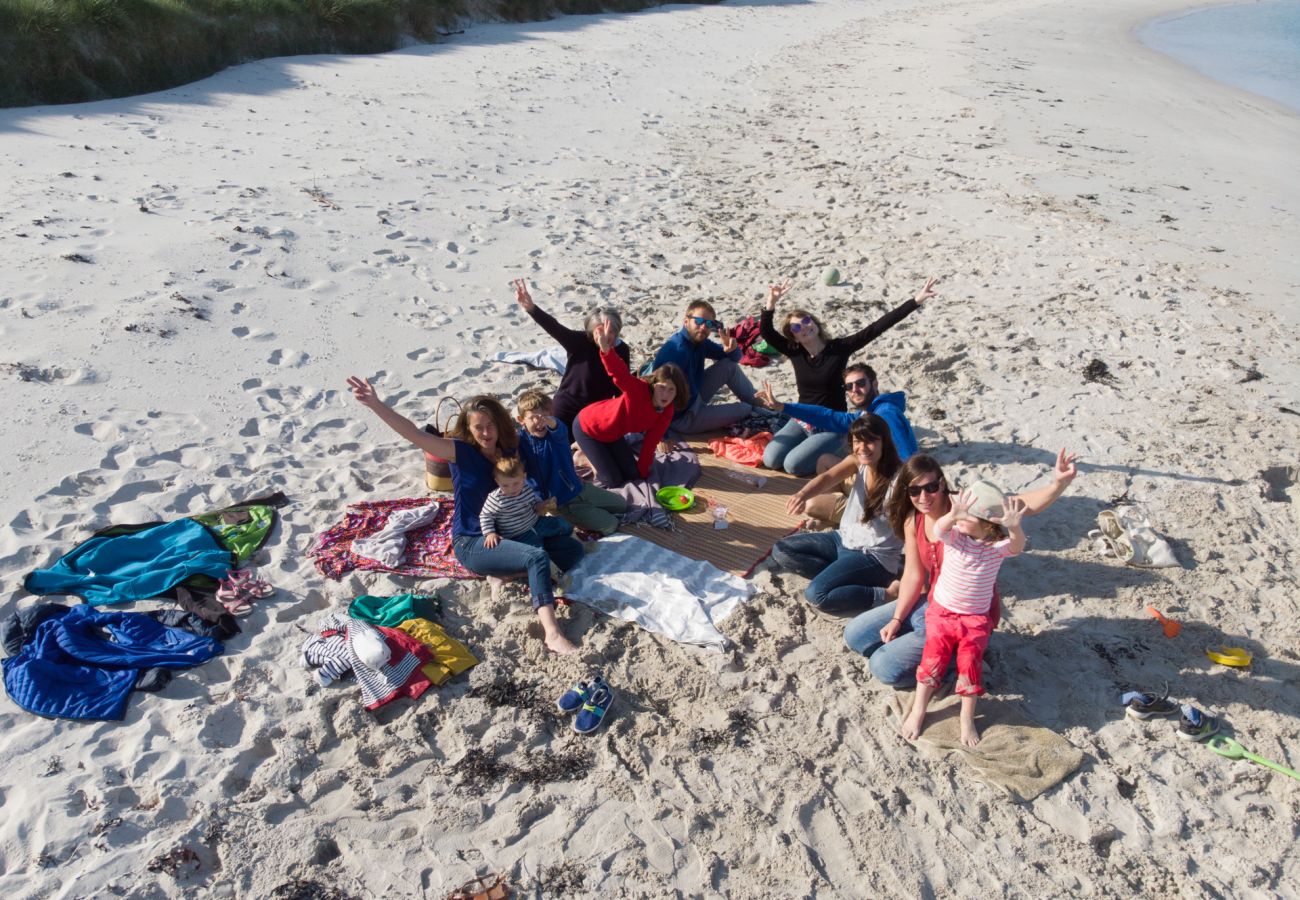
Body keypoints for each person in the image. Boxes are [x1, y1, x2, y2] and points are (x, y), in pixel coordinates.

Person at [346, 377, 583, 654]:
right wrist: (375, 404)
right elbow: (413, 434)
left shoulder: (510, 449)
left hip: (512, 531)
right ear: (468, 429)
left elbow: (546, 442)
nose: (486, 432)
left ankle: (503, 573)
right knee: (537, 557)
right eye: (478, 427)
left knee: (572, 551)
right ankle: (552, 633)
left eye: (491, 424)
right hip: (473, 541)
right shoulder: (459, 452)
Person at [843, 449, 1078, 686]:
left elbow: (1019, 505)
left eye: (930, 487)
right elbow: (913, 575)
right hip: (933, 604)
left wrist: (1058, 483)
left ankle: (962, 659)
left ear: (942, 484)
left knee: (884, 668)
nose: (923, 496)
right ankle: (928, 644)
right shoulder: (913, 520)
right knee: (856, 635)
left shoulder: (964, 508)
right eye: (914, 490)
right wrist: (896, 618)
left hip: (968, 615)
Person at [759, 277, 935, 475]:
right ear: (794, 337)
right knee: (771, 459)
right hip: (803, 417)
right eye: (797, 328)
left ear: (815, 323)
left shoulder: (838, 348)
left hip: (832, 424)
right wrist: (771, 302)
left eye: (806, 321)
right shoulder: (796, 352)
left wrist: (916, 301)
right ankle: (813, 445)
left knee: (793, 465)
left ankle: (841, 446)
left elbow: (876, 328)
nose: (804, 327)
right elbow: (766, 332)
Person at [899, 481, 1027, 747]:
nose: (961, 519)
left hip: (974, 619)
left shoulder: (995, 548)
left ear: (986, 522)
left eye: (967, 515)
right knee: (932, 659)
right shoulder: (954, 536)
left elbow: (1017, 547)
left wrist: (1014, 527)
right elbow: (938, 528)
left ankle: (966, 718)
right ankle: (919, 709)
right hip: (942, 612)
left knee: (970, 666)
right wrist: (953, 515)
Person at [754, 363, 918, 527]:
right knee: (825, 461)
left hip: (884, 497)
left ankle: (850, 518)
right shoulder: (868, 413)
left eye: (860, 383)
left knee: (811, 505)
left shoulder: (886, 414)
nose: (855, 390)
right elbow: (828, 417)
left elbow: (907, 459)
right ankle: (838, 515)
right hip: (871, 478)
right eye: (849, 386)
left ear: (874, 384)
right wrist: (783, 407)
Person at [768, 415, 903, 614]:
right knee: (781, 549)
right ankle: (844, 575)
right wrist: (801, 495)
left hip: (873, 555)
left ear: (885, 441)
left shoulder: (900, 478)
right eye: (857, 441)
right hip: (843, 538)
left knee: (817, 595)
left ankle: (886, 593)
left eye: (871, 440)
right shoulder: (857, 462)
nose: (863, 447)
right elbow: (828, 477)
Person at [573, 321, 689, 488]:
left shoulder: (667, 410)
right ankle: (582, 456)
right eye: (662, 388)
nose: (666, 394)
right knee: (612, 481)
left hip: (613, 434)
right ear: (653, 385)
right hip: (588, 427)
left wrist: (643, 476)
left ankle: (596, 454)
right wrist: (606, 349)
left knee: (633, 474)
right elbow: (619, 373)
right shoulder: (639, 391)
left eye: (671, 390)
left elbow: (650, 443)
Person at [512, 279, 630, 433]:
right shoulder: (580, 341)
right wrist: (531, 308)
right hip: (567, 405)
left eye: (611, 331)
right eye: (599, 331)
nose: (605, 336)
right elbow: (555, 328)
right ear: (590, 331)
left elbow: (622, 387)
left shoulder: (622, 350)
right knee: (556, 440)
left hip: (596, 411)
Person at [515, 390, 627, 535]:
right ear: (521, 420)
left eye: (544, 416)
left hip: (580, 487)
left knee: (622, 505)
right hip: (561, 502)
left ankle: (586, 513)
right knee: (611, 525)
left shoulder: (555, 435)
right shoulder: (520, 442)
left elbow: (559, 429)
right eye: (533, 418)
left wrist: (550, 421)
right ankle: (574, 517)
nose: (539, 422)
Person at [652, 299, 759, 437]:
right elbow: (655, 394)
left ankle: (759, 402)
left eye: (708, 324)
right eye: (698, 321)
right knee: (745, 409)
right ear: (686, 321)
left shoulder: (699, 341)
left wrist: (732, 349)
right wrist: (661, 436)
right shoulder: (676, 352)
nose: (703, 327)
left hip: (694, 395)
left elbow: (734, 359)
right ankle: (754, 407)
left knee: (728, 365)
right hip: (683, 417)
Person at [478, 456, 573, 550]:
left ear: (524, 477)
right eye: (505, 485)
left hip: (536, 523)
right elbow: (485, 516)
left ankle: (562, 538)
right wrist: (490, 533)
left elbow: (534, 505)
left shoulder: (526, 489)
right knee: (537, 552)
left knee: (562, 523)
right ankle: (546, 544)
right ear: (497, 481)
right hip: (519, 535)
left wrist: (545, 504)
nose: (511, 489)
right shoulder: (495, 499)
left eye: (516, 483)